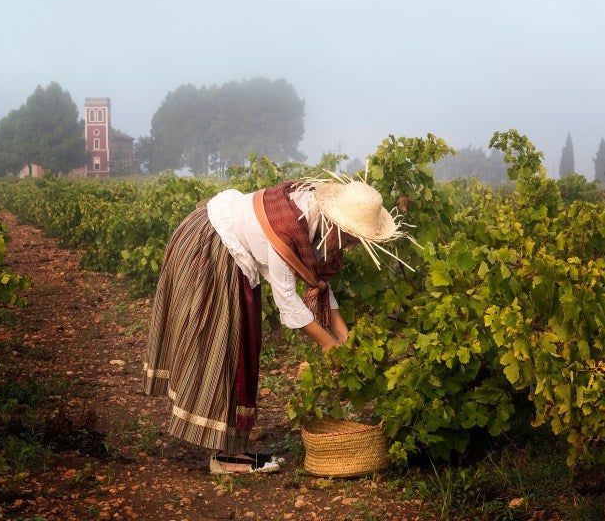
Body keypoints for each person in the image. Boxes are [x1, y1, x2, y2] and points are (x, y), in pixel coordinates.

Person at [143, 173, 411, 474]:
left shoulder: (313, 219)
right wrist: (328, 345)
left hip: (220, 240)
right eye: (350, 238)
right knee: (229, 346)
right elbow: (288, 301)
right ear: (336, 223)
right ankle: (227, 458)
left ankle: (232, 449)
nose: (350, 247)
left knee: (240, 344)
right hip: (212, 247)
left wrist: (343, 335)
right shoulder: (286, 228)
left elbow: (318, 282)